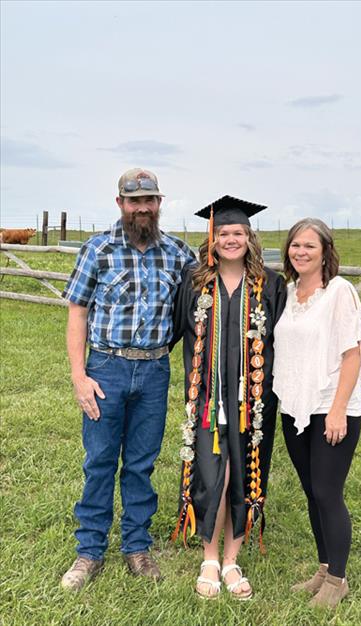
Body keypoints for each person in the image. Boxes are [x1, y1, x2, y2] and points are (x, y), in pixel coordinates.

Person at [61, 168, 195, 591]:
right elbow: (77, 312)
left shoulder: (178, 253)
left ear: (159, 204)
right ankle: (90, 551)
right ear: (120, 203)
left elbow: (203, 298)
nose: (143, 208)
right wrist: (79, 375)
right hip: (106, 369)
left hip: (154, 370)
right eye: (135, 201)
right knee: (99, 461)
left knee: (141, 462)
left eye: (150, 200)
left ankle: (137, 546)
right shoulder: (97, 249)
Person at [171, 196, 286, 600]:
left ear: (249, 237)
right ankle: (209, 558)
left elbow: (286, 343)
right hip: (205, 400)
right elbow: (172, 332)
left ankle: (232, 558)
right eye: (223, 233)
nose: (231, 239)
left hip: (253, 405)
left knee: (243, 475)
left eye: (238, 233)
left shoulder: (271, 285)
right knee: (210, 475)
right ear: (212, 238)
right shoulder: (194, 282)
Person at [273, 218, 361, 609]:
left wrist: (338, 410)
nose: (301, 252)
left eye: (309, 246)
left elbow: (353, 353)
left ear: (325, 251)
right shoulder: (289, 292)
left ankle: (337, 580)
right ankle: (323, 566)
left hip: (331, 405)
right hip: (294, 405)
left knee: (328, 491)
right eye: (295, 245)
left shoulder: (339, 292)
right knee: (311, 490)